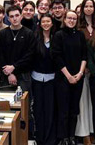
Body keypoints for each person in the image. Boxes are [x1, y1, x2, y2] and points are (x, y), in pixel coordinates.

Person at [53, 11, 88, 144]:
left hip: (78, 78)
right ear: (64, 19)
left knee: (74, 109)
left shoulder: (80, 35)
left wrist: (80, 73)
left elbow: (84, 55)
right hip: (63, 78)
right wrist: (68, 76)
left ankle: (72, 137)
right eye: (69, 18)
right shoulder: (58, 35)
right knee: (63, 110)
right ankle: (63, 138)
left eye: (74, 18)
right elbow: (57, 56)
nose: (72, 20)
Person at [31, 15, 58, 145]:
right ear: (39, 23)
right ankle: (39, 138)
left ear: (52, 24)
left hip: (52, 80)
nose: (46, 23)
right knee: (38, 110)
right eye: (43, 21)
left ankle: (50, 139)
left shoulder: (56, 38)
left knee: (50, 110)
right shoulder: (34, 38)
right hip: (36, 78)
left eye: (48, 21)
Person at [0, 5, 34, 91]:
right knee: (6, 103)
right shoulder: (2, 34)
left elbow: (30, 55)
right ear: (8, 19)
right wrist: (9, 74)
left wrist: (14, 67)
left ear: (21, 16)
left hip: (24, 75)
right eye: (11, 16)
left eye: (17, 15)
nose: (14, 18)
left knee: (23, 103)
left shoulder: (29, 33)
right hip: (6, 75)